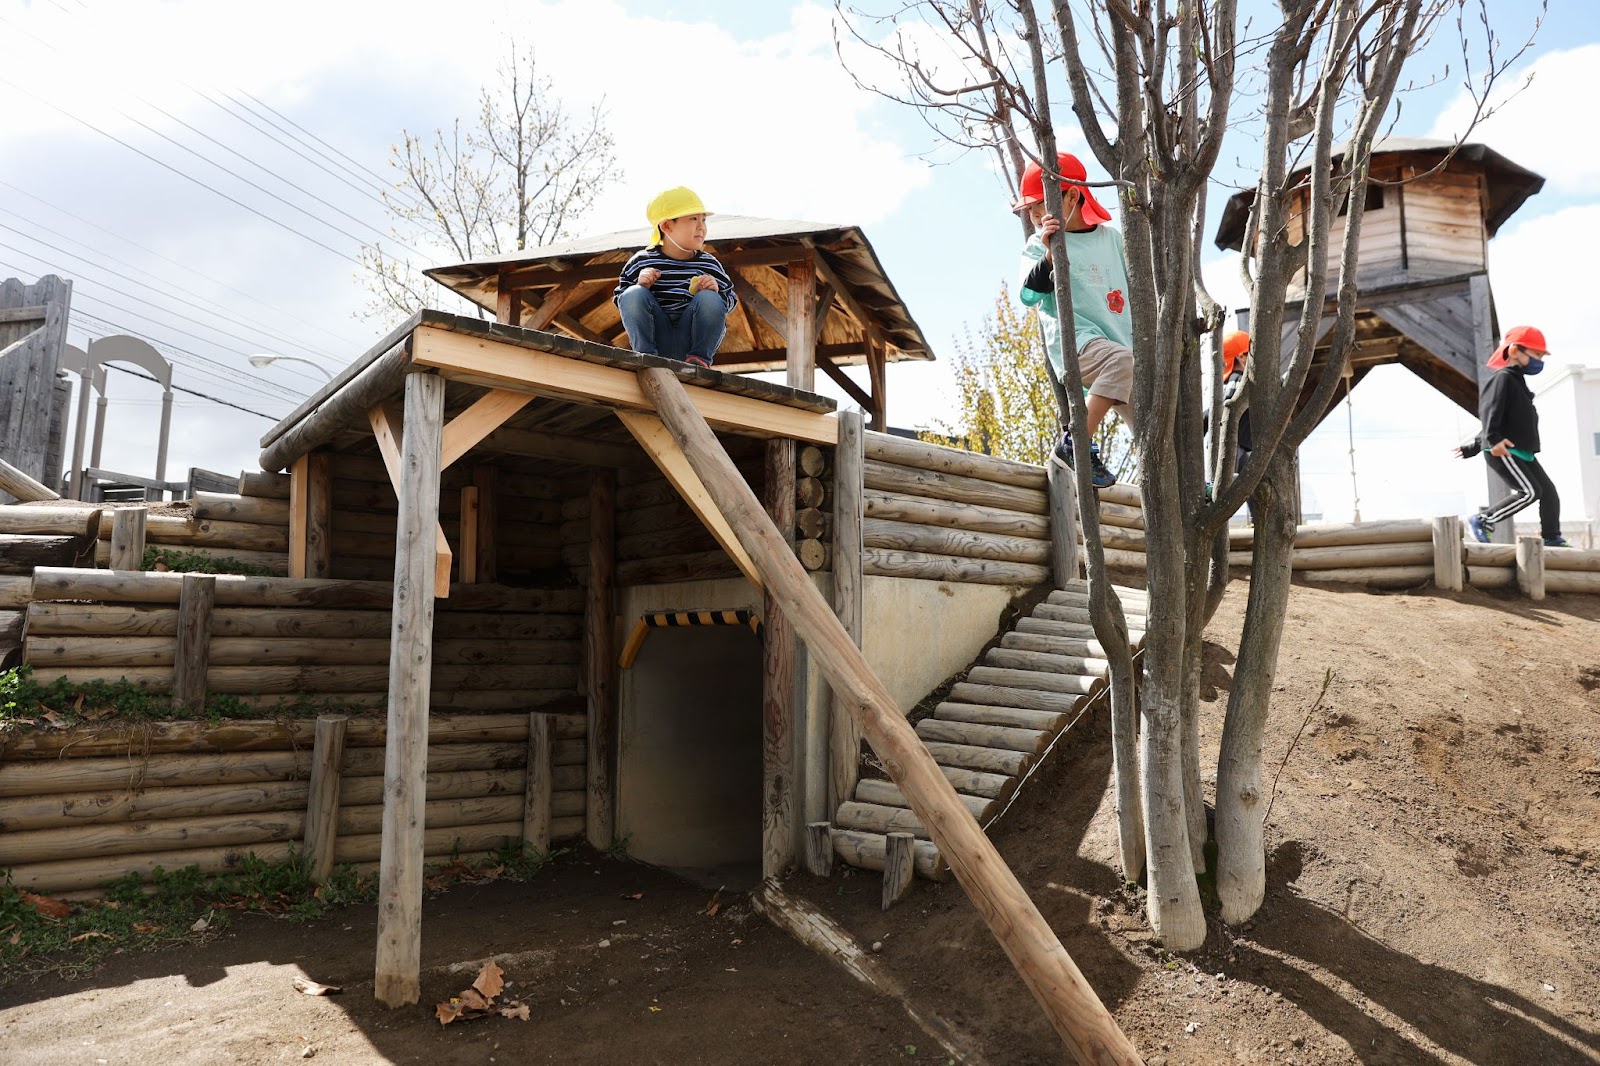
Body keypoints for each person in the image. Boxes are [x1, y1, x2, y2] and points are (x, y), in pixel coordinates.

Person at [1016, 151, 1135, 490]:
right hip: (1077, 345)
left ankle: (1189, 486)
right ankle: (1075, 442)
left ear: (1071, 195)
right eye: (1032, 208)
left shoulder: (1113, 240)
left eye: (1040, 203)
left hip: (1121, 352)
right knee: (1120, 359)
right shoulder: (1038, 245)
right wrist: (1051, 252)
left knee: (1151, 428)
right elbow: (1029, 293)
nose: (1036, 214)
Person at [1454, 325, 1568, 547]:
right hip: (1504, 449)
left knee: (1549, 493)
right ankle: (1483, 519)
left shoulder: (1517, 382)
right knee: (1529, 492)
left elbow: (1505, 417)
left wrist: (1474, 446)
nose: (1540, 361)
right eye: (1536, 355)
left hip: (1522, 451)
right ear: (1515, 350)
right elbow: (1490, 411)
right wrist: (1492, 441)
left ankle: (1551, 537)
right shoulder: (1503, 378)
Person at [614, 187, 737, 368]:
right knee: (633, 293)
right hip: (655, 338)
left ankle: (700, 359)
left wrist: (716, 292)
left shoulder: (710, 265)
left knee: (711, 298)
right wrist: (641, 286)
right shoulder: (641, 262)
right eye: (693, 219)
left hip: (690, 341)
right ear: (666, 226)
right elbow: (621, 299)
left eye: (703, 220)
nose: (701, 226)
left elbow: (731, 301)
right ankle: (645, 356)